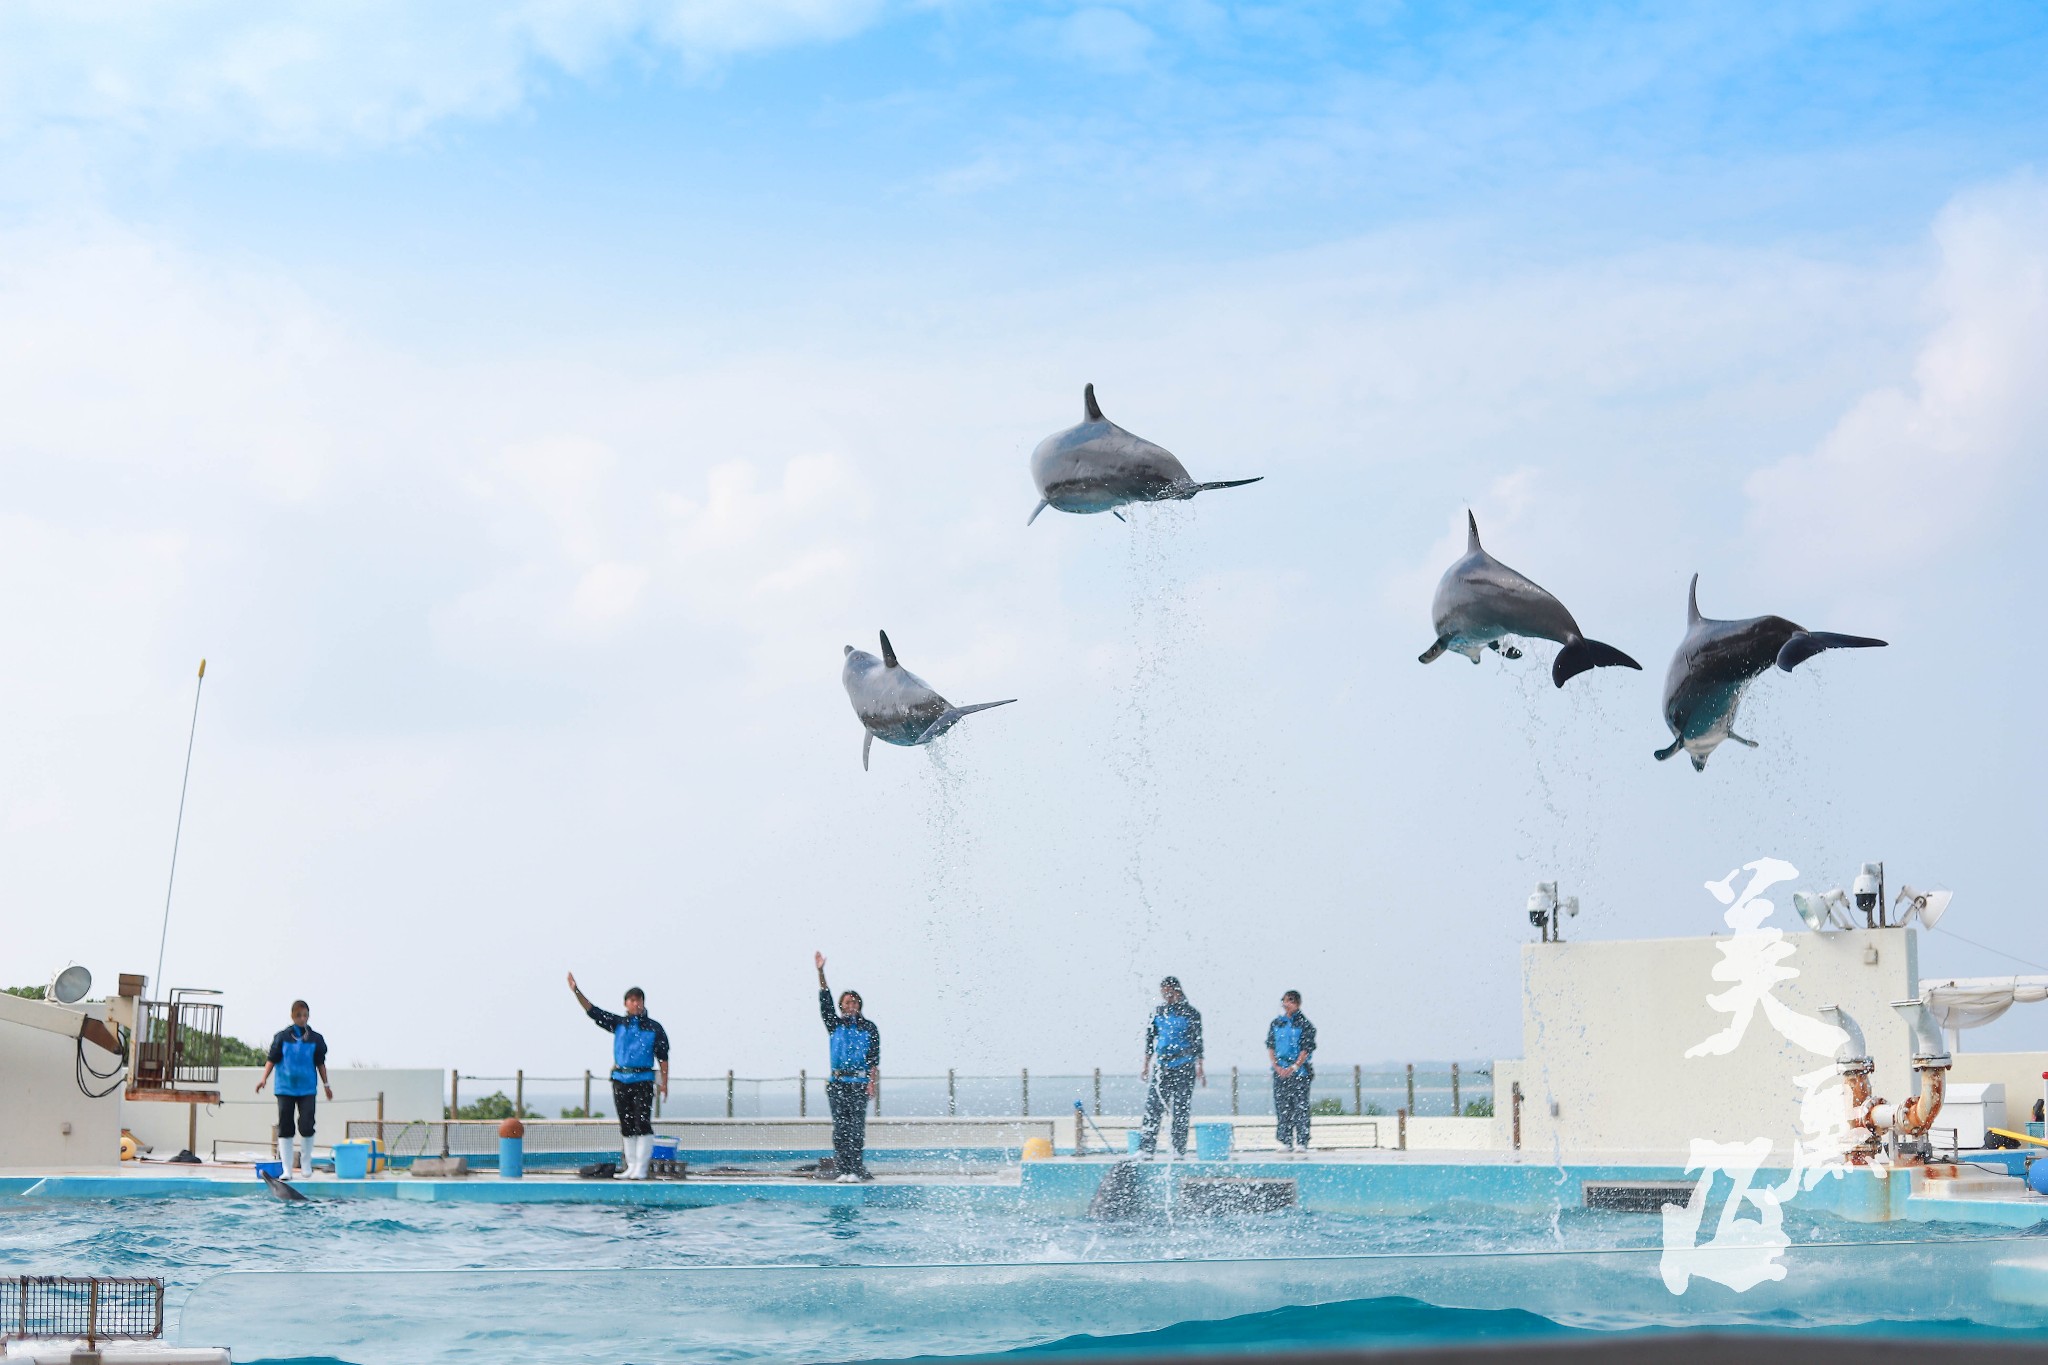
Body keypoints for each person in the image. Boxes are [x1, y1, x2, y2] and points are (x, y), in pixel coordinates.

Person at [567, 972, 670, 1179]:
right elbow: (593, 1011)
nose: (636, 1004)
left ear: (643, 1003)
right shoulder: (618, 1024)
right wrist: (576, 991)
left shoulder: (654, 1028)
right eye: (632, 1000)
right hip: (620, 1080)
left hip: (643, 1080)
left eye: (639, 1000)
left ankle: (641, 1168)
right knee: (626, 1123)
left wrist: (664, 1084)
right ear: (626, 1003)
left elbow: (663, 1057)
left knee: (643, 1123)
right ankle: (631, 1166)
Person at [816, 952, 880, 1183]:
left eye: (854, 1002)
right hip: (838, 1083)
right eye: (847, 1002)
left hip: (859, 1083)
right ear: (841, 1006)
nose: (851, 1005)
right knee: (840, 1129)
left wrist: (872, 1083)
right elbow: (825, 1002)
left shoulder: (869, 1028)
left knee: (856, 1129)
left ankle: (856, 1168)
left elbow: (874, 1059)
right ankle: (843, 1169)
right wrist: (821, 973)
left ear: (859, 1005)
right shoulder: (835, 1025)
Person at [255, 1000, 332, 1179]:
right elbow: (271, 1059)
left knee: (307, 1124)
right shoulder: (282, 1037)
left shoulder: (316, 1039)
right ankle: (287, 1169)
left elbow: (320, 1063)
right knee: (285, 1125)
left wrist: (326, 1085)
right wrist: (263, 1079)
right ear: (292, 1016)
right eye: (299, 1015)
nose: (302, 1018)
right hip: (285, 1088)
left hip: (307, 1089)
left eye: (305, 1015)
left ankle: (306, 1164)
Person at [1138, 976, 1204, 1159]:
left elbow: (1198, 1041)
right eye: (1163, 991)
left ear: (1177, 990)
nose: (1166, 995)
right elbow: (1150, 1040)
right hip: (1162, 1066)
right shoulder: (1158, 1012)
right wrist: (1145, 1065)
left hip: (1184, 1065)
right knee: (1153, 1106)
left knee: (1181, 1108)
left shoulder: (1191, 1013)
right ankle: (1147, 1148)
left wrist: (1200, 1066)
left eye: (1169, 991)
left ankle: (1178, 1149)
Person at [1267, 990, 1318, 1153]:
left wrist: (1294, 1067)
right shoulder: (1277, 1023)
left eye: (1290, 1001)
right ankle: (1285, 1140)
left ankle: (1302, 1141)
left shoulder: (1305, 1025)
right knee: (1283, 1106)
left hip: (1299, 1072)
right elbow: (1271, 1046)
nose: (1286, 1004)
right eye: (1284, 1000)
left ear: (1297, 1003)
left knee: (1300, 1106)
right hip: (1280, 1070)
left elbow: (1306, 1049)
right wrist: (1276, 1066)